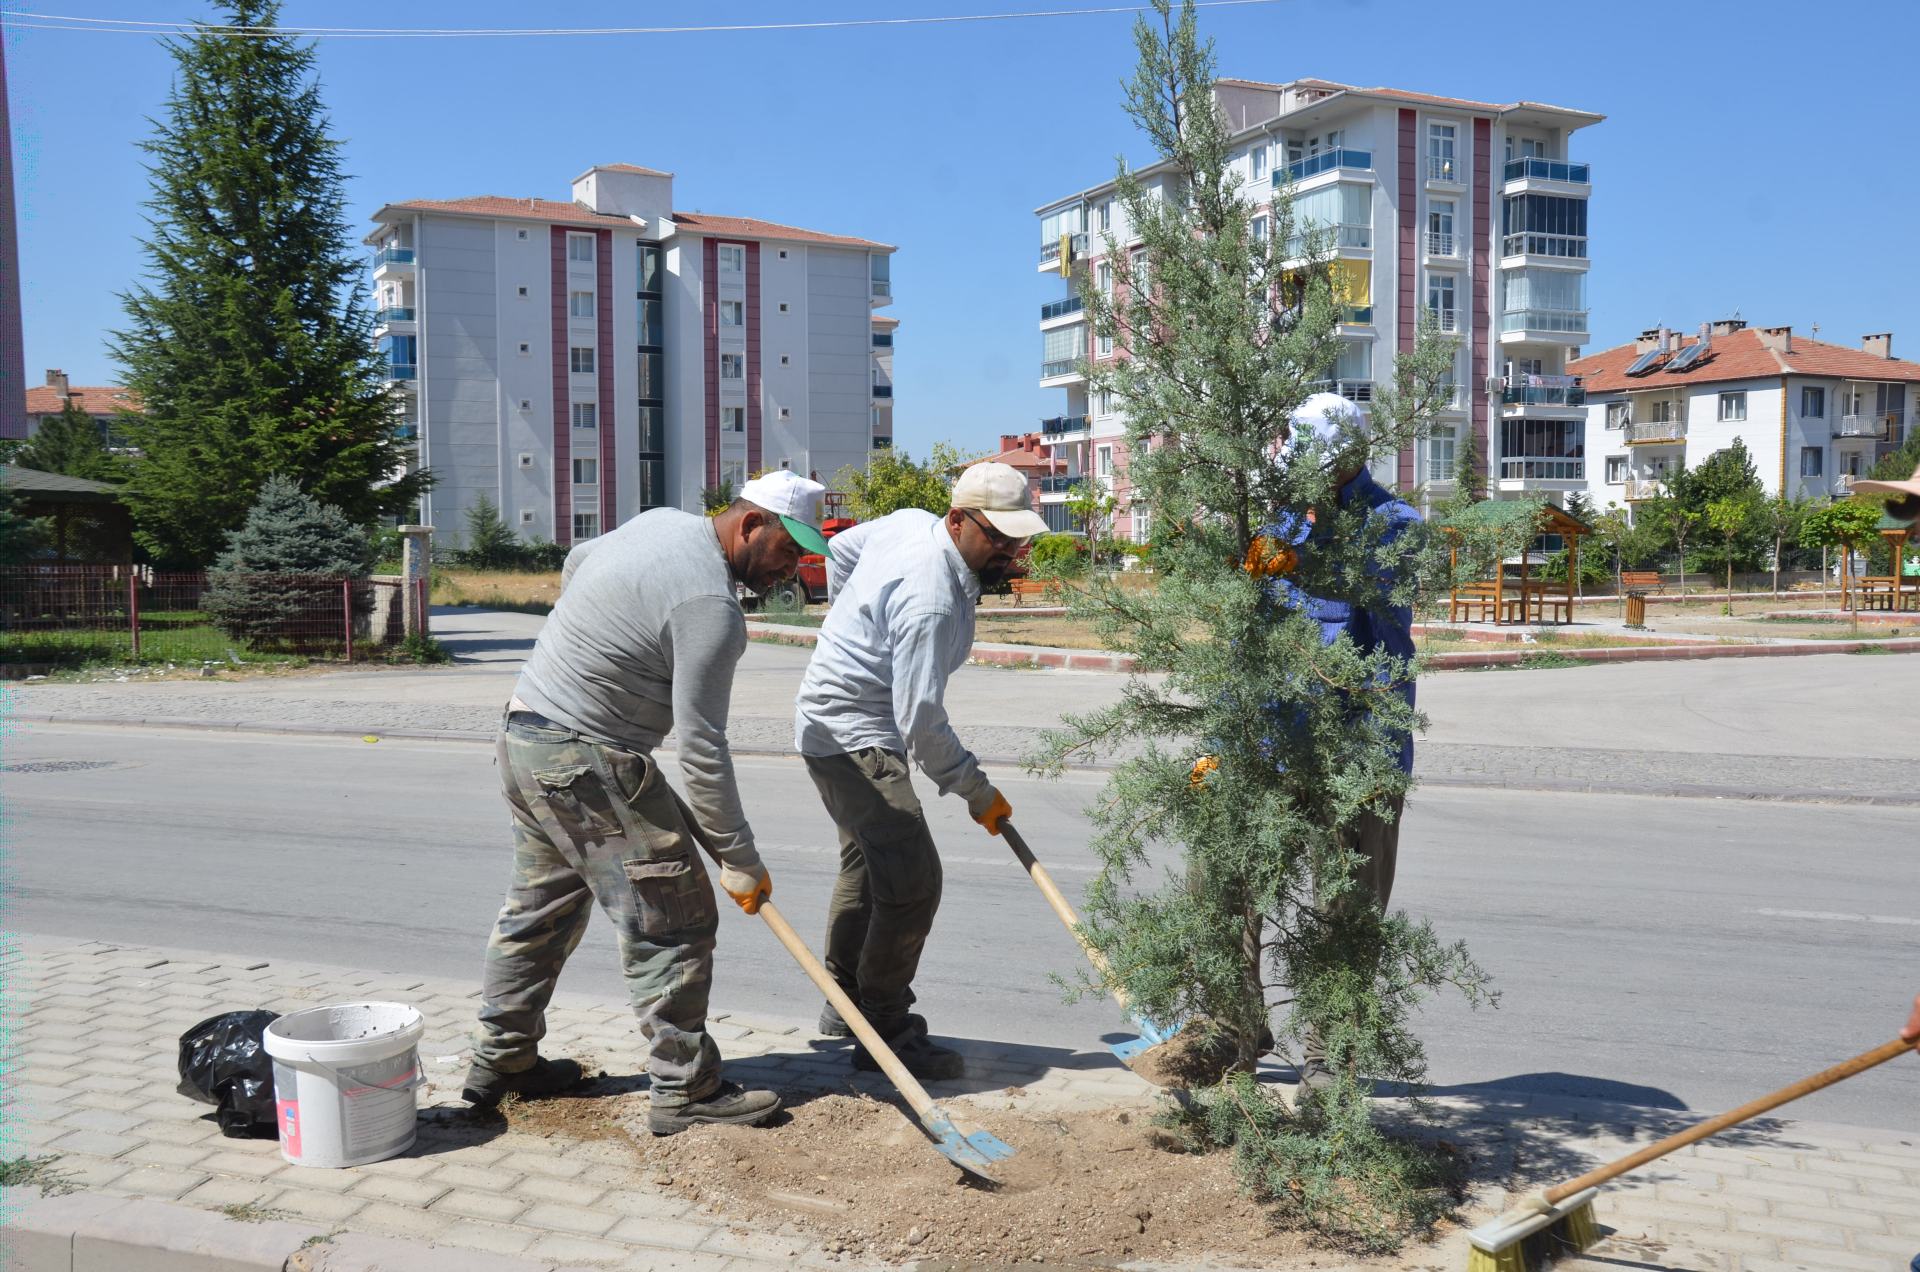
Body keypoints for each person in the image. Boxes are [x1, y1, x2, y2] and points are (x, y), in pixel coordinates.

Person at [464, 471, 833, 1136]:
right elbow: (701, 750)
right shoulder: (711, 609)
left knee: (539, 912)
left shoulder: (661, 523)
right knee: (674, 915)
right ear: (750, 525)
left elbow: (579, 562)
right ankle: (685, 1088)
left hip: (525, 735)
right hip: (585, 759)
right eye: (786, 550)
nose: (790, 568)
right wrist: (739, 857)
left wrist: (600, 653)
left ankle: (502, 1063)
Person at [793, 461, 1047, 1079]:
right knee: (912, 883)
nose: (1010, 550)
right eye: (997, 536)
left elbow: (844, 550)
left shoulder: (911, 525)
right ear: (958, 519)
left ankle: (845, 1003)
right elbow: (922, 725)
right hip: (855, 735)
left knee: (867, 862)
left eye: (1019, 538)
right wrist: (975, 789)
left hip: (828, 721)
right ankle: (883, 1026)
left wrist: (849, 617)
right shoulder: (929, 598)